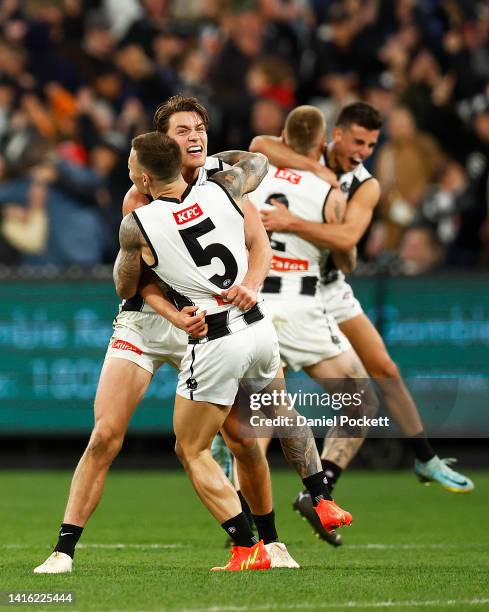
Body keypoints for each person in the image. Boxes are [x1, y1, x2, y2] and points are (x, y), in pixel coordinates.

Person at [33, 96, 293, 574]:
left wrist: (248, 285)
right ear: (165, 146)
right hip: (151, 321)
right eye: (182, 131)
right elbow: (131, 285)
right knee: (106, 434)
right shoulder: (142, 201)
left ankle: (269, 542)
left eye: (199, 129)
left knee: (242, 439)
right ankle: (63, 551)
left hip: (208, 326)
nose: (193, 137)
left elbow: (256, 218)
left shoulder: (215, 185)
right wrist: (174, 316)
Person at [112, 131, 352, 571]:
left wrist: (134, 253)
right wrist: (214, 160)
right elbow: (256, 161)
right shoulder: (225, 186)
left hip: (216, 337)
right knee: (280, 410)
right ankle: (322, 498)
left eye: (131, 166)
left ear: (144, 178)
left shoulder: (137, 222)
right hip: (258, 325)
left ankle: (246, 547)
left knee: (191, 449)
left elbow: (126, 287)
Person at [251, 101, 474, 542]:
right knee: (279, 403)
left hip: (329, 287)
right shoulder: (310, 159)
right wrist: (318, 174)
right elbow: (259, 143)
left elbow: (349, 244)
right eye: (357, 142)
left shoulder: (366, 186)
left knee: (381, 370)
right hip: (297, 288)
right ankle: (261, 505)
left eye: (372, 145)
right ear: (334, 135)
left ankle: (421, 457)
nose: (363, 152)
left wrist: (294, 220)